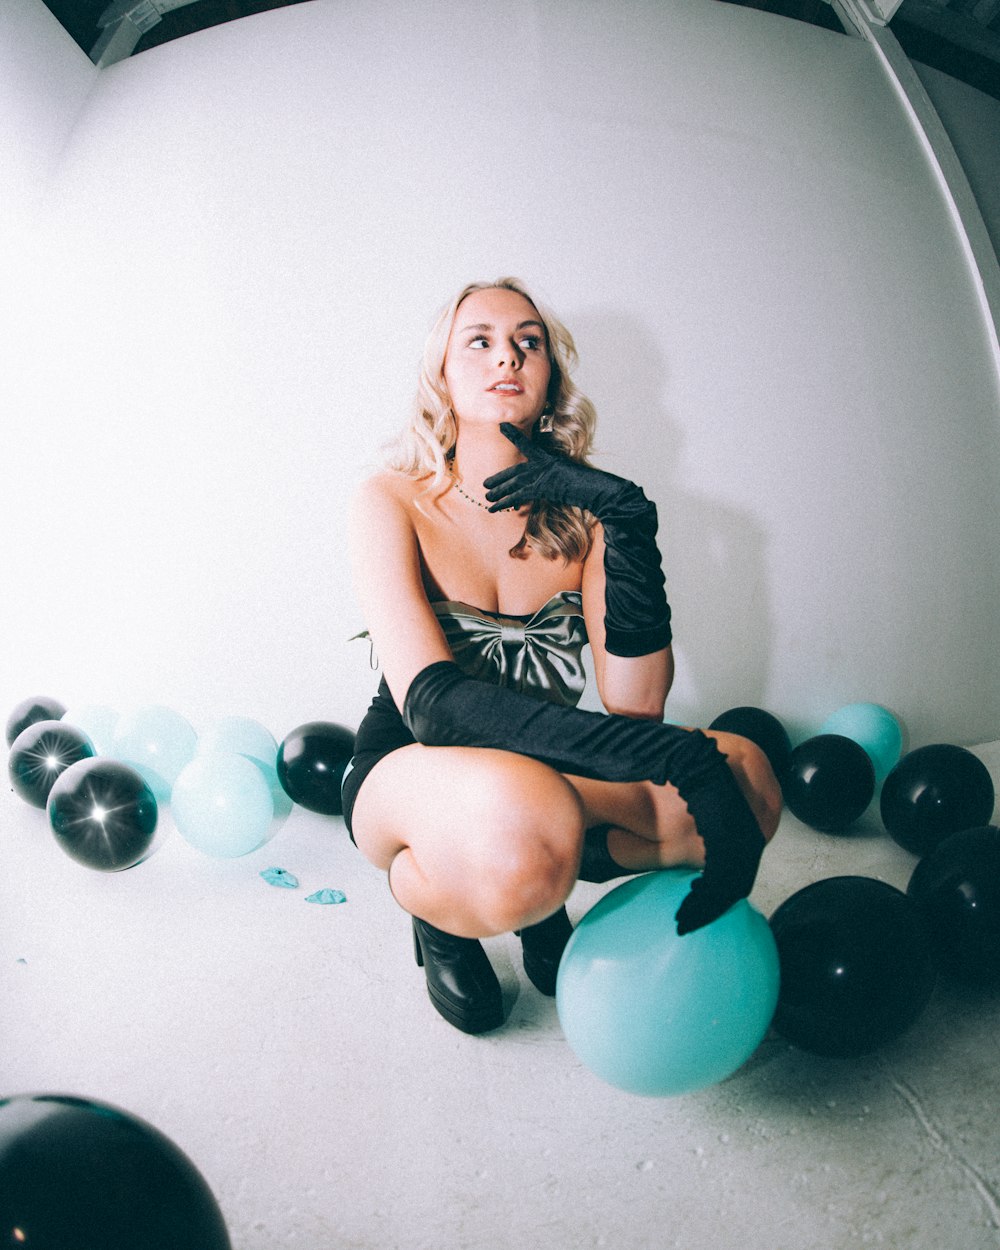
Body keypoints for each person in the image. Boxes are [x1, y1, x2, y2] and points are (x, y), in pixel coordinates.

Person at [343, 277, 781, 1035]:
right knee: (529, 818)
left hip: (540, 773)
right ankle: (437, 910)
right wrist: (679, 759)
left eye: (528, 341)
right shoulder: (390, 498)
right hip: (406, 771)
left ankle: (537, 883)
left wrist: (628, 520)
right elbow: (434, 704)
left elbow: (635, 701)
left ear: (549, 377)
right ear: (441, 373)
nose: (505, 355)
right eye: (477, 339)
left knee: (746, 778)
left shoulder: (588, 512)